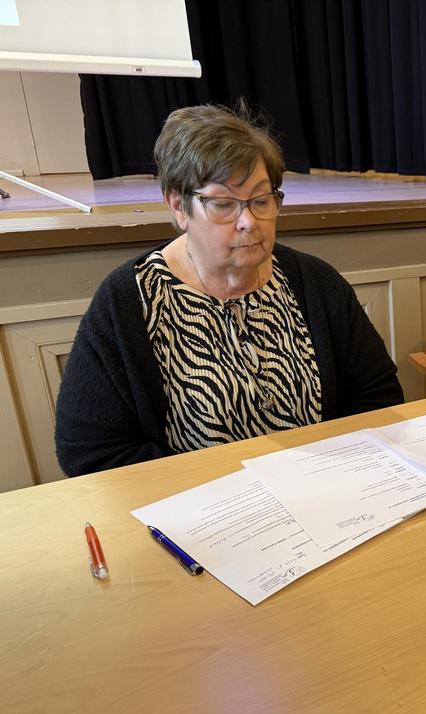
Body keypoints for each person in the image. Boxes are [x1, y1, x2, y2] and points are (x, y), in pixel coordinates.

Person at [55, 104, 403, 477]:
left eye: (261, 200)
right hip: (200, 503)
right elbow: (90, 452)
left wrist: (320, 473)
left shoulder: (315, 282)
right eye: (223, 204)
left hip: (323, 486)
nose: (248, 221)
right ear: (179, 206)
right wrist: (226, 486)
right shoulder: (128, 301)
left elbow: (378, 398)